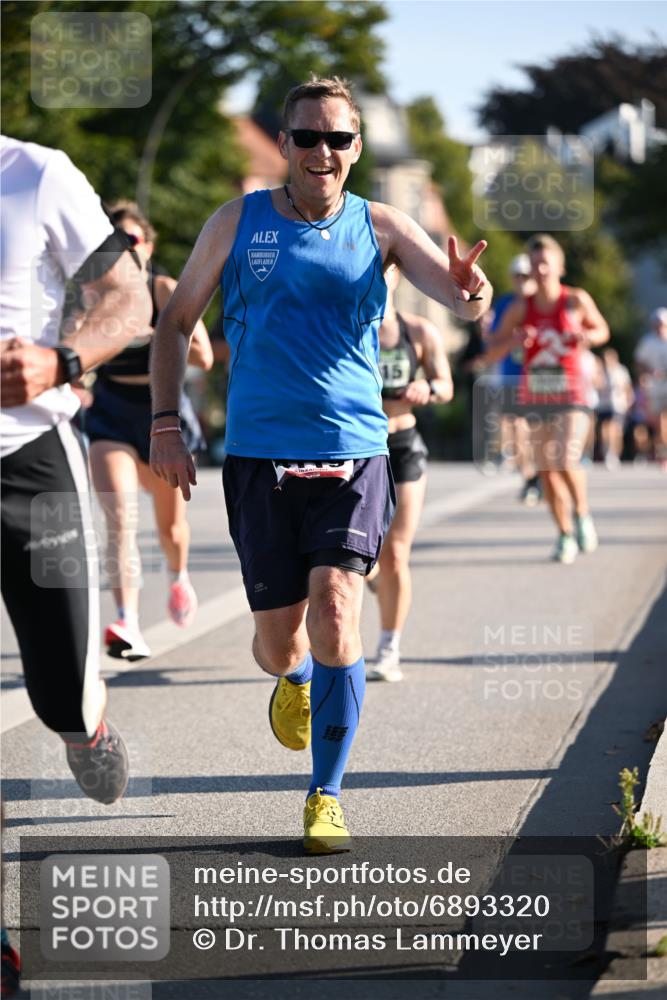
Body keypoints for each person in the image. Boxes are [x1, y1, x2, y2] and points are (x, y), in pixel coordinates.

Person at [149, 76, 491, 853]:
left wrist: (473, 292)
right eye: (308, 137)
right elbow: (174, 323)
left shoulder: (381, 224)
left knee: (336, 606)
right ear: (284, 143)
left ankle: (326, 794)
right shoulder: (238, 221)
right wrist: (166, 422)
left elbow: (459, 293)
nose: (322, 152)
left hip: (354, 450)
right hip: (259, 455)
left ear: (356, 148)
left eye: (338, 138)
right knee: (279, 642)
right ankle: (293, 681)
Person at [0, 136, 152, 797]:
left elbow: (128, 298)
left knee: (64, 687)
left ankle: (83, 728)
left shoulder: (35, 174)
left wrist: (58, 362)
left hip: (27, 456)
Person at [84, 202, 213, 660]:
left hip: (164, 416)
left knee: (171, 528)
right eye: (114, 242)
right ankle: (128, 623)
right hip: (112, 414)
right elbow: (78, 365)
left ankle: (178, 578)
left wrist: (160, 330)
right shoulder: (93, 296)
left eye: (131, 240)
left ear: (149, 246)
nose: (123, 249)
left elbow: (205, 358)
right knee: (120, 519)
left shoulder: (165, 290)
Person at [478, 234, 609, 564]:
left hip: (571, 392)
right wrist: (515, 340)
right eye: (534, 265)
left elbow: (601, 331)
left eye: (545, 264)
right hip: (535, 392)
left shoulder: (575, 300)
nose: (539, 270)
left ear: (559, 267)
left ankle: (582, 515)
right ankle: (564, 534)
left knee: (565, 459)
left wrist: (585, 335)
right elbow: (493, 346)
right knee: (547, 471)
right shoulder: (522, 307)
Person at [365, 263, 453, 682]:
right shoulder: (346, 328)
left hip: (402, 445)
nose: (375, 276)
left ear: (397, 274)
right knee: (364, 560)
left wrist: (428, 389)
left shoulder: (418, 331)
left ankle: (388, 648)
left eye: (383, 270)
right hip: (358, 449)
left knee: (396, 550)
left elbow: (446, 384)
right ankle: (375, 576)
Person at [488, 254, 540, 504]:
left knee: (539, 431)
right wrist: (514, 340)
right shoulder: (505, 303)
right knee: (517, 428)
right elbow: (493, 340)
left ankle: (541, 474)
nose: (522, 280)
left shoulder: (542, 303)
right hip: (511, 374)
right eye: (518, 276)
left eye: (526, 276)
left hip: (541, 377)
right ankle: (529, 477)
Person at [634, 307, 667, 470]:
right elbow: (639, 363)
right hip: (655, 387)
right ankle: (662, 452)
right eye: (658, 324)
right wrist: (648, 373)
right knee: (660, 422)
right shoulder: (648, 342)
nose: (660, 327)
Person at [595, 348, 633, 469]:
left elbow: (627, 388)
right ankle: (606, 451)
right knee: (604, 430)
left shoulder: (621, 371)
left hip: (617, 404)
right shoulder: (600, 371)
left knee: (615, 430)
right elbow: (596, 385)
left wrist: (628, 403)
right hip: (603, 404)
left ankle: (614, 454)